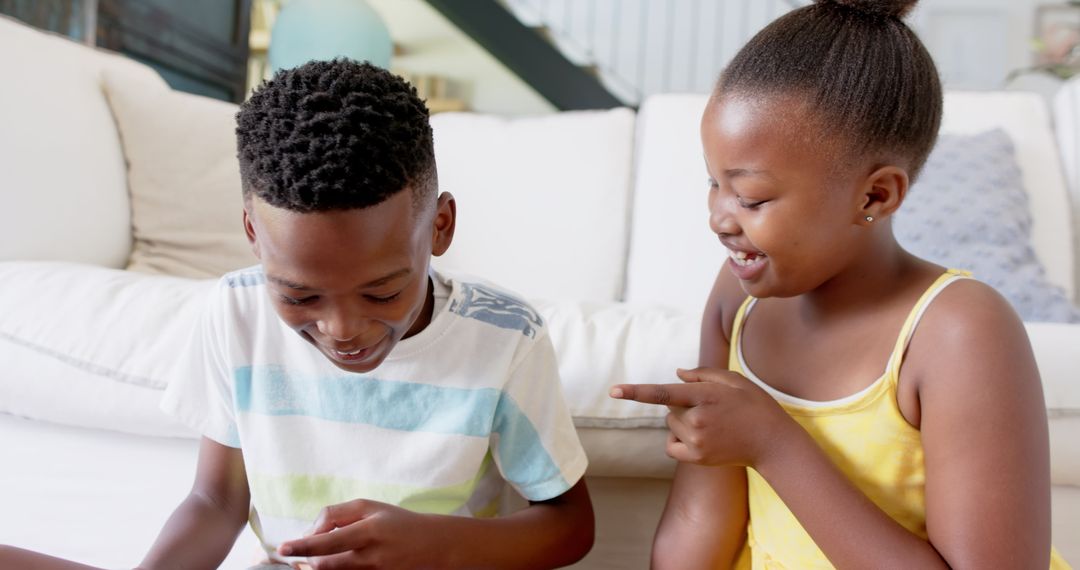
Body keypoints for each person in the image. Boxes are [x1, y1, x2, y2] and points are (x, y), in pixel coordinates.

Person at [0, 59, 593, 569]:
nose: (343, 330)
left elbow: (570, 524)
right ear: (253, 234)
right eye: (300, 297)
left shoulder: (504, 337)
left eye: (383, 293)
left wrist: (437, 545)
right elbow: (215, 502)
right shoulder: (235, 312)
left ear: (439, 228)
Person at [610, 1, 1071, 568]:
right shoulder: (737, 298)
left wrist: (774, 445)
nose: (720, 218)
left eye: (751, 197)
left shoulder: (957, 331)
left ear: (876, 195)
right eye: (714, 183)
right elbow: (698, 522)